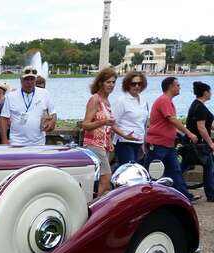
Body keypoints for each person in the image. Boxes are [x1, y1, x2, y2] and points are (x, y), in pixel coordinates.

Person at [81, 68, 137, 197]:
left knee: (102, 179)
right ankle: (96, 208)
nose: (111, 85)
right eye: (108, 82)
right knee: (106, 178)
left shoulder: (107, 102)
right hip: (94, 144)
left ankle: (95, 204)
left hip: (104, 145)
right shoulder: (95, 99)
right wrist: (103, 122)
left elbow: (111, 124)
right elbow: (85, 124)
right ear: (100, 83)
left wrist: (125, 135)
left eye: (113, 82)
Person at [144, 77, 199, 201]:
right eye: (178, 85)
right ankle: (144, 194)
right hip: (158, 143)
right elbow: (172, 119)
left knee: (174, 170)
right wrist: (188, 133)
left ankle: (184, 196)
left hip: (168, 144)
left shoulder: (167, 101)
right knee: (152, 170)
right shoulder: (164, 100)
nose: (179, 87)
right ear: (170, 87)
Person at [0, 66, 56, 146]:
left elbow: (53, 113)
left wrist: (52, 122)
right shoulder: (11, 96)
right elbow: (3, 119)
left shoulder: (45, 93)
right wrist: (4, 140)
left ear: (35, 80)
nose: (29, 82)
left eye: (32, 79)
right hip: (16, 142)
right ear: (21, 80)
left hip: (39, 143)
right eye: (26, 79)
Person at [112, 71, 149, 167]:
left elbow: (143, 123)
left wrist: (143, 143)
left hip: (139, 142)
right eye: (133, 84)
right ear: (127, 84)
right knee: (130, 172)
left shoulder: (144, 100)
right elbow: (112, 123)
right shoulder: (122, 101)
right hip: (125, 143)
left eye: (139, 84)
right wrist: (125, 135)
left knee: (138, 172)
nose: (137, 86)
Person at [186, 81, 214, 201]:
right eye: (210, 91)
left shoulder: (196, 105)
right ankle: (211, 195)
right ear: (205, 92)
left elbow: (209, 124)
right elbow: (201, 127)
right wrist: (211, 143)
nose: (211, 93)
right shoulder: (200, 107)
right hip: (198, 145)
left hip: (193, 144)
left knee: (183, 166)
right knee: (209, 167)